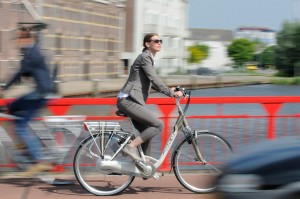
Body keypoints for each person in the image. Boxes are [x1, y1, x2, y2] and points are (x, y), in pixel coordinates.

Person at [117, 33, 183, 162]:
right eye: (156, 41)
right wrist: (172, 94)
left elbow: (149, 83)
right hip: (128, 100)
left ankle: (144, 165)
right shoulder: (145, 57)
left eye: (161, 41)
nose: (159, 43)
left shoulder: (148, 58)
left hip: (130, 100)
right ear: (147, 44)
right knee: (158, 125)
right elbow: (154, 79)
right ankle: (130, 147)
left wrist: (171, 89)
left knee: (147, 131)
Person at [0, 27, 53, 176]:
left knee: (21, 126)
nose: (16, 42)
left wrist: (4, 88)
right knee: (12, 107)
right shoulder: (30, 51)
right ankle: (25, 147)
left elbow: (21, 72)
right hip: (41, 91)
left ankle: (38, 160)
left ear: (25, 39)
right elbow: (26, 73)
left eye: (18, 39)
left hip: (41, 93)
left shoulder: (31, 53)